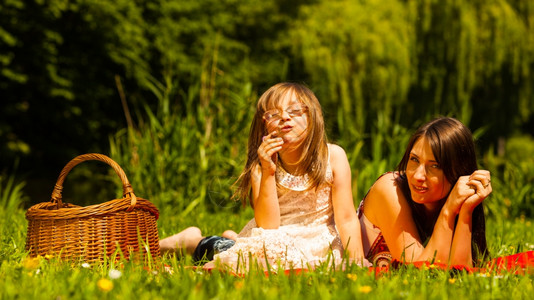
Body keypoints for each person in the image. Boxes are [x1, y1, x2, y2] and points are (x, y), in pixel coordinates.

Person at [160, 82, 367, 272]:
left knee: (256, 256)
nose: (285, 117)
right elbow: (268, 226)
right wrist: (268, 171)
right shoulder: (260, 167)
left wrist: (357, 259)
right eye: (274, 114)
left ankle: (228, 238)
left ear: (312, 118)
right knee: (242, 259)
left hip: (319, 241)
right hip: (273, 238)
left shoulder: (333, 156)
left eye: (295, 111)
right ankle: (191, 241)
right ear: (264, 124)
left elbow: (347, 218)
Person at [358, 116, 491, 268]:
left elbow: (461, 272)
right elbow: (418, 271)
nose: (418, 176)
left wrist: (466, 208)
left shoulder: (452, 199)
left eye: (434, 166)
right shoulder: (389, 189)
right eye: (414, 159)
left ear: (458, 172)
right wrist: (448, 211)